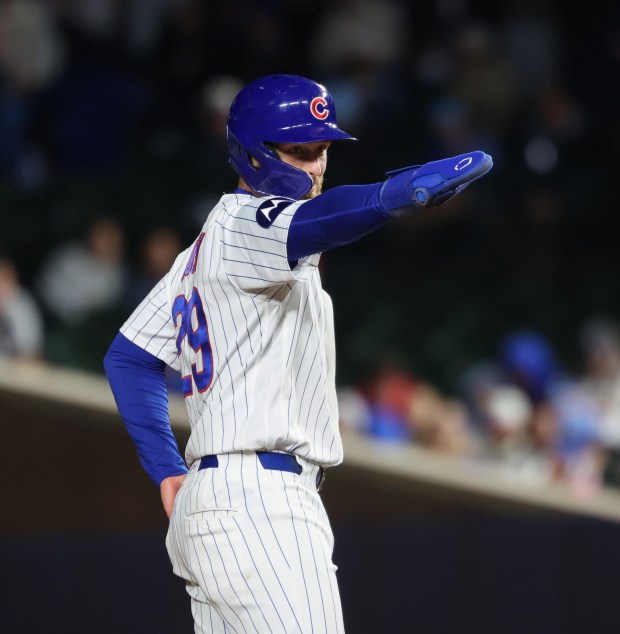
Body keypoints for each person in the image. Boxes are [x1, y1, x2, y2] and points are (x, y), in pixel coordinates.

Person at [104, 73, 492, 633]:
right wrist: (397, 194)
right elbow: (319, 222)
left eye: (323, 150)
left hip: (221, 505)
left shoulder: (203, 249)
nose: (315, 165)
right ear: (253, 153)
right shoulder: (246, 225)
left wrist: (167, 470)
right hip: (259, 505)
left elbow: (130, 357)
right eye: (300, 150)